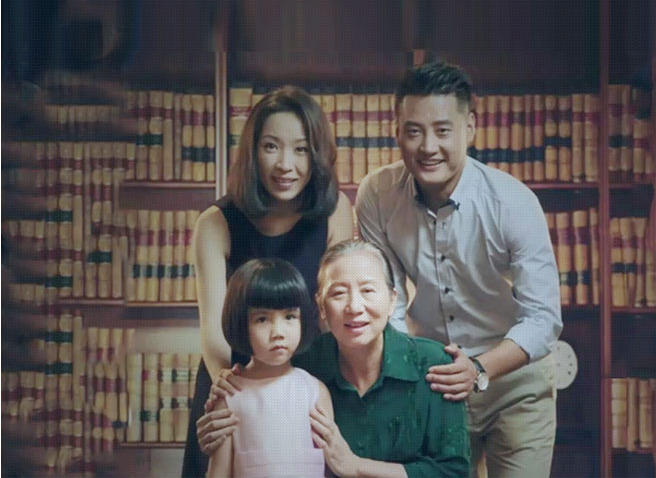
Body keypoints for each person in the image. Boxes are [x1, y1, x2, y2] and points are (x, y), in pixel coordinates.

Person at [355, 61, 562, 478]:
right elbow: (387, 300)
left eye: (442, 130)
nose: (428, 147)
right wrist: (408, 371)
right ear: (396, 131)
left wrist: (480, 368)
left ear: (470, 128)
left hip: (514, 380)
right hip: (434, 379)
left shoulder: (513, 202)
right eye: (414, 131)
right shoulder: (377, 196)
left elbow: (543, 318)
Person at [182, 86, 354, 477]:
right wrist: (229, 393)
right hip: (234, 379)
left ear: (317, 155)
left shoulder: (335, 211)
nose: (285, 165)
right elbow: (214, 332)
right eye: (271, 147)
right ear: (252, 151)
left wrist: (311, 390)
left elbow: (333, 315)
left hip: (305, 380)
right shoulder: (215, 222)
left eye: (301, 149)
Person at [206, 239, 471, 477]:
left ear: (392, 301)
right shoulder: (302, 362)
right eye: (338, 293)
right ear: (321, 306)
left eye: (368, 290)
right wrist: (224, 403)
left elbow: (453, 471)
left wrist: (355, 466)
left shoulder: (433, 364)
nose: (354, 307)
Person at [207, 257, 332, 478]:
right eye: (262, 319)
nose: (278, 333)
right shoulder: (229, 396)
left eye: (289, 317)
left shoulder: (314, 392)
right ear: (240, 323)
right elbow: (219, 473)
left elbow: (331, 464)